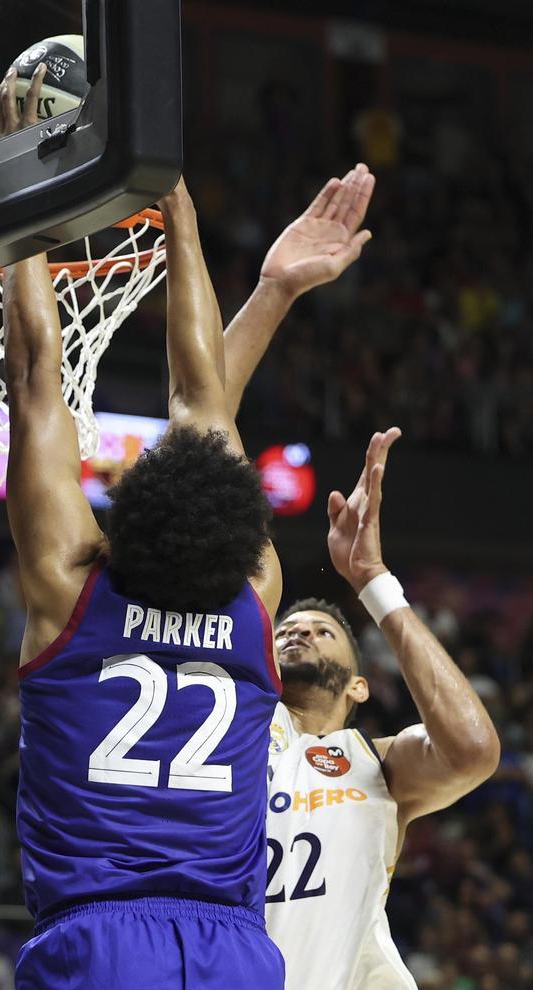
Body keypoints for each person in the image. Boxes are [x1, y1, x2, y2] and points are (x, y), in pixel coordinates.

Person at [0, 63, 289, 990]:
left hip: (99, 943)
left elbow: (41, 374)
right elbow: (204, 394)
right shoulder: (254, 602)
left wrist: (16, 175)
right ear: (239, 534)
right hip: (235, 951)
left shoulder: (74, 591)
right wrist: (181, 215)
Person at [217, 196, 500, 987]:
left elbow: (474, 751)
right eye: (288, 625)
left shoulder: (376, 766)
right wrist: (273, 291)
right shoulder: (227, 731)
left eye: (323, 628)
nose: (299, 629)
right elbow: (205, 428)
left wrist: (373, 584)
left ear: (362, 683)